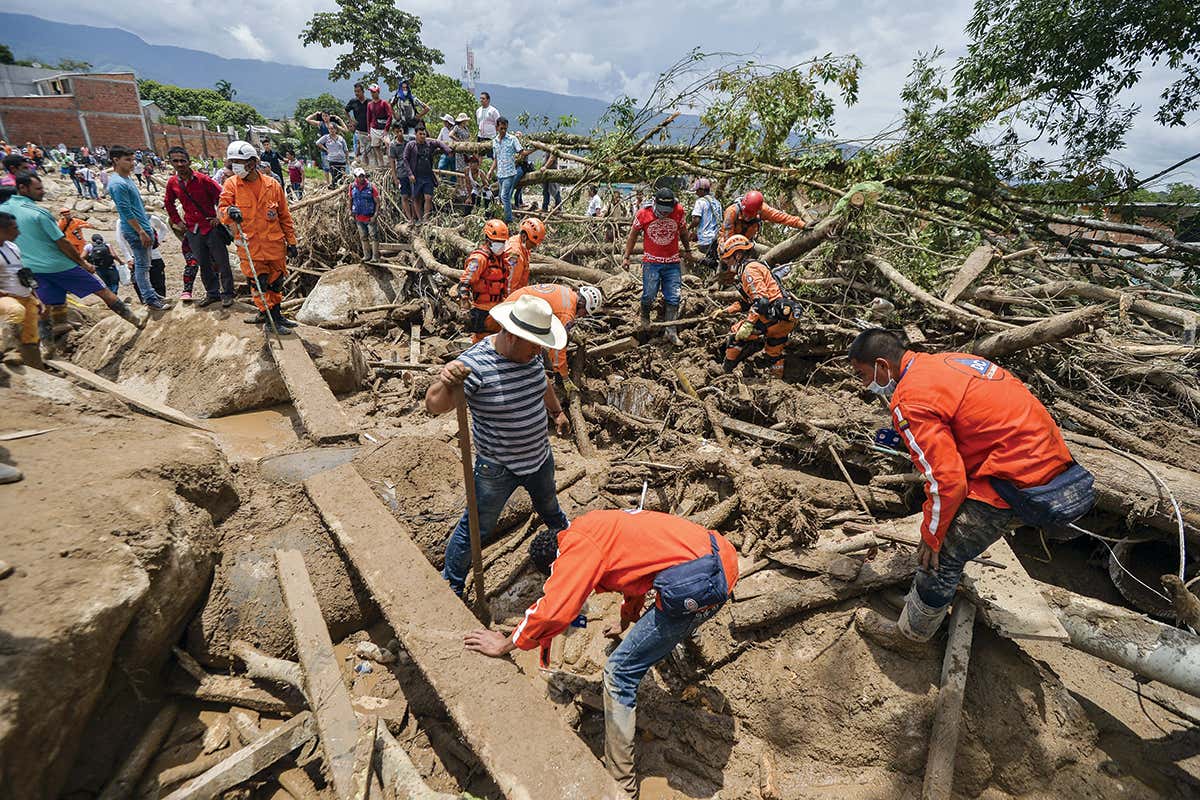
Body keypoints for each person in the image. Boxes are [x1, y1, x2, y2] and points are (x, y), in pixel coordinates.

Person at [847, 329, 1090, 655]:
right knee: (941, 522)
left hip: (1016, 482)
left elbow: (948, 481)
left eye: (864, 375)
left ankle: (911, 639)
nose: (866, 385)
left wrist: (932, 536)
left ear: (881, 365)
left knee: (942, 552)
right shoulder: (951, 361)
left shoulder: (909, 398)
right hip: (1050, 463)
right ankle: (931, 597)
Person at [464, 509, 739, 797]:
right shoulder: (594, 527)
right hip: (716, 558)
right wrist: (626, 617)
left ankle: (622, 787)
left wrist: (506, 643)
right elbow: (638, 571)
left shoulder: (576, 549)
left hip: (703, 582)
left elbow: (555, 611)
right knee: (637, 650)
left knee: (619, 674)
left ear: (556, 561)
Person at [424, 292, 571, 596]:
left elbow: (542, 383)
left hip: (539, 457)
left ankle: (568, 547)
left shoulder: (531, 356)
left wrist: (556, 412)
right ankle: (451, 584)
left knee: (550, 508)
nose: (538, 351)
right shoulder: (474, 366)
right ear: (513, 335)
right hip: (498, 467)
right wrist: (446, 382)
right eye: (534, 344)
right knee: (476, 527)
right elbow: (434, 405)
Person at [6, 174, 142, 351]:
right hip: (59, 265)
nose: (43, 191)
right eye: (38, 188)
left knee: (45, 307)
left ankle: (49, 348)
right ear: (23, 188)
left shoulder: (4, 209)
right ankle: (137, 322)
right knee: (103, 291)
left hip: (32, 269)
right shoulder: (38, 213)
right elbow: (62, 242)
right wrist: (83, 264)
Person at [219, 141, 298, 335]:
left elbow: (284, 216)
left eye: (240, 162)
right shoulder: (231, 185)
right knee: (258, 283)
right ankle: (268, 317)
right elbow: (221, 212)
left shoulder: (272, 185)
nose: (235, 166)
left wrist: (292, 242)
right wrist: (230, 211)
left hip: (273, 245)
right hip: (250, 246)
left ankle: (277, 315)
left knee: (276, 282)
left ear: (253, 162)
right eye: (233, 163)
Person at [710, 234, 796, 379]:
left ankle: (725, 371)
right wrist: (725, 311)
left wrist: (749, 324)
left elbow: (761, 301)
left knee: (736, 334)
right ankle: (776, 382)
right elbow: (747, 303)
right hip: (785, 318)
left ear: (737, 255)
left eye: (727, 259)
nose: (725, 263)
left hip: (772, 315)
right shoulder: (753, 267)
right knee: (773, 351)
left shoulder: (749, 270)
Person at [164, 146, 235, 307]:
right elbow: (168, 203)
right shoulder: (173, 183)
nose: (180, 164)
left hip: (210, 226)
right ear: (171, 163)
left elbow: (223, 196)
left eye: (183, 160)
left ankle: (228, 293)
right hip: (192, 229)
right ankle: (212, 293)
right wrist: (177, 221)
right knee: (203, 263)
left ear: (189, 162)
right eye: (176, 161)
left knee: (222, 261)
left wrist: (219, 216)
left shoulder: (203, 180)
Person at [622, 187, 691, 344]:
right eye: (663, 210)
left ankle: (671, 331)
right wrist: (626, 257)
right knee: (649, 294)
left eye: (668, 210)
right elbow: (632, 235)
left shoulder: (678, 210)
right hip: (652, 263)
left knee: (674, 296)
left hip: (672, 262)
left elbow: (683, 231)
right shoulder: (644, 213)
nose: (666, 213)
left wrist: (687, 250)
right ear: (655, 203)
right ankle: (644, 316)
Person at [109, 145, 170, 309]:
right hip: (136, 231)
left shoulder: (126, 179)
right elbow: (125, 210)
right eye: (127, 160)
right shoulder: (117, 184)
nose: (132, 163)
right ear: (116, 160)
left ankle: (152, 293)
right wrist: (141, 231)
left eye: (132, 159)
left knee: (146, 265)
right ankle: (150, 298)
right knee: (142, 267)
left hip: (142, 227)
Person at [505, 282, 602, 384]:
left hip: (514, 302)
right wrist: (563, 376)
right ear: (582, 304)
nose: (583, 316)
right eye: (585, 313)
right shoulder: (567, 314)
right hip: (517, 313)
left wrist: (568, 335)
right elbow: (558, 347)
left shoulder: (568, 293)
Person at [0, 210, 44, 368]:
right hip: (6, 299)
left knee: (31, 335)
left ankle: (35, 367)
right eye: (14, 228)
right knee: (15, 310)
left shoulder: (12, 247)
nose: (18, 232)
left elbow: (22, 273)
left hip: (24, 295)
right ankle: (9, 350)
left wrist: (36, 297)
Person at [457, 219, 510, 343]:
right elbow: (464, 283)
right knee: (482, 340)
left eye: (503, 242)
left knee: (497, 340)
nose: (500, 245)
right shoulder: (479, 259)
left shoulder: (502, 259)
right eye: (497, 242)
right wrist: (464, 303)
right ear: (488, 240)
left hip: (498, 307)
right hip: (482, 309)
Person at [718, 189, 805, 249]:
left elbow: (782, 217)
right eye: (745, 213)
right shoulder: (732, 212)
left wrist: (802, 224)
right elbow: (727, 236)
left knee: (766, 253)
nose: (746, 217)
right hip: (728, 245)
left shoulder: (763, 210)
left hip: (747, 243)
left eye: (750, 215)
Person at [403, 123, 453, 221]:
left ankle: (426, 220)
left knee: (428, 197)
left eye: (424, 134)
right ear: (416, 134)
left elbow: (439, 142)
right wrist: (410, 174)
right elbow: (405, 159)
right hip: (416, 177)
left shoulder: (429, 144)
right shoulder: (411, 145)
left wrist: (448, 150)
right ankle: (420, 219)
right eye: (420, 134)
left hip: (428, 176)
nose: (422, 136)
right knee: (416, 198)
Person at [485, 117, 530, 223]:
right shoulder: (495, 141)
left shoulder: (512, 139)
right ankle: (503, 216)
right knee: (501, 197)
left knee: (504, 196)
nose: (504, 131)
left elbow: (521, 152)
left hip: (509, 173)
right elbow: (496, 159)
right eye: (501, 128)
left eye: (505, 128)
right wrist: (490, 171)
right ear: (497, 128)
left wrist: (534, 149)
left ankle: (508, 220)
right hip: (500, 173)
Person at [116, 213, 170, 301]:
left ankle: (161, 305)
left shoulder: (151, 218)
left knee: (159, 284)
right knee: (140, 285)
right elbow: (120, 240)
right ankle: (147, 304)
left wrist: (156, 242)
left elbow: (164, 228)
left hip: (154, 256)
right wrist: (128, 258)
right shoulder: (121, 221)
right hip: (136, 257)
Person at [502, 216, 546, 296]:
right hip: (510, 297)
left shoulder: (518, 243)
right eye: (533, 244)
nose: (534, 247)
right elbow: (510, 285)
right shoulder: (516, 254)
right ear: (524, 236)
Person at [689, 178, 722, 272]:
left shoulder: (700, 202)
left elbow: (696, 220)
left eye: (697, 190)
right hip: (716, 239)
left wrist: (688, 228)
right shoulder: (716, 202)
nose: (696, 193)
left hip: (705, 240)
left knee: (691, 256)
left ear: (702, 190)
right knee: (715, 260)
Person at [348, 167, 381, 261]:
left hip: (370, 217)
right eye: (359, 177)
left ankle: (375, 257)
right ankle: (367, 256)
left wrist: (375, 215)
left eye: (363, 176)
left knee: (374, 237)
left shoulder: (371, 187)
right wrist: (350, 212)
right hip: (359, 217)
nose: (362, 178)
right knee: (363, 237)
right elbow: (350, 200)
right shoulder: (352, 187)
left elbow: (378, 202)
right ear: (355, 177)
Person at [387, 135, 415, 221]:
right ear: (394, 132)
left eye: (401, 131)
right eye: (397, 131)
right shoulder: (393, 145)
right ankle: (409, 218)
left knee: (414, 196)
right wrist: (395, 178)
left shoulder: (409, 140)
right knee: (404, 196)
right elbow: (392, 162)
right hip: (401, 174)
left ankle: (415, 217)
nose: (399, 133)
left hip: (411, 173)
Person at [344, 83, 370, 161]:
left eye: (358, 91)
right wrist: (351, 121)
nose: (356, 93)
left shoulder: (369, 102)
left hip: (368, 130)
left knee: (369, 151)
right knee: (360, 151)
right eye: (355, 91)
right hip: (359, 130)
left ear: (363, 91)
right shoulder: (353, 102)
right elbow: (346, 111)